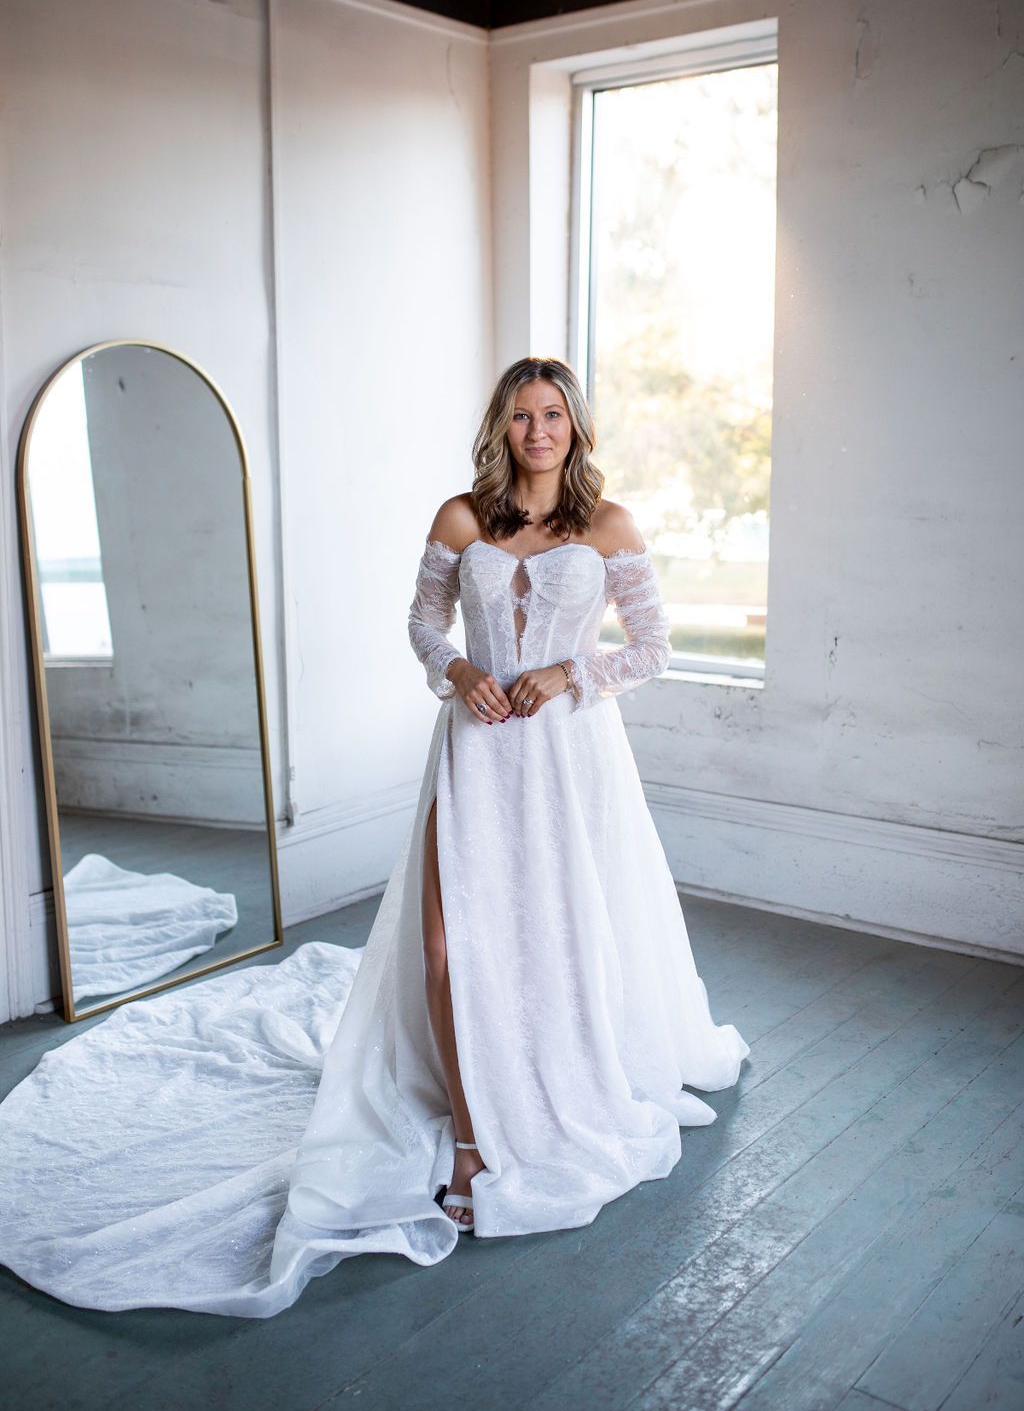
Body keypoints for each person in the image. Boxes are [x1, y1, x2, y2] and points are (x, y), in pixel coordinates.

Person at [0, 356, 749, 1318]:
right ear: (501, 425)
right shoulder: (462, 518)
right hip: (477, 752)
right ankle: (472, 1135)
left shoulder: (610, 526)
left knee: (555, 939)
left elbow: (652, 646)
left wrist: (570, 673)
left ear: (576, 426)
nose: (538, 431)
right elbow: (422, 624)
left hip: (569, 761)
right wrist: (461, 671)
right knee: (444, 945)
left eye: (553, 414)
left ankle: (550, 1083)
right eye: (522, 415)